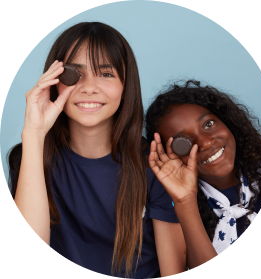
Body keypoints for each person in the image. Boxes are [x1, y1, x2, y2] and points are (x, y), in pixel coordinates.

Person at [7, 22, 187, 278]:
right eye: (75, 73)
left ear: (126, 86)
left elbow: (173, 268)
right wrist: (34, 134)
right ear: (54, 82)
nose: (89, 87)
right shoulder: (31, 157)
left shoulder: (156, 164)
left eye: (106, 74)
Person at [144, 79, 261, 269]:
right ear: (169, 157)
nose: (206, 143)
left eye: (208, 124)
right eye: (184, 143)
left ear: (227, 121)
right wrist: (185, 202)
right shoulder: (175, 211)